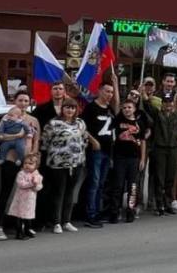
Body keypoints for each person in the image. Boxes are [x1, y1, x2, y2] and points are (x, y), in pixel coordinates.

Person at [0, 89, 40, 240]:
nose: (23, 104)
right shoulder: (7, 118)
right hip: (11, 159)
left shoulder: (33, 120)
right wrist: (16, 136)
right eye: (20, 100)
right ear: (15, 101)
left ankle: (25, 225)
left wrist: (33, 157)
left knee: (27, 195)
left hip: (28, 163)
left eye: (26, 101)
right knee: (5, 192)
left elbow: (36, 140)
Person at [42, 99, 87, 233]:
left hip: (76, 163)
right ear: (62, 109)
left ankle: (67, 221)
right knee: (58, 192)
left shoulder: (80, 123)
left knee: (70, 192)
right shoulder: (53, 123)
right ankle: (56, 222)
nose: (70, 110)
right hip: (58, 164)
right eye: (67, 107)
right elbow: (45, 142)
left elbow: (84, 140)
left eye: (72, 108)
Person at [78, 80, 119, 228]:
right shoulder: (90, 108)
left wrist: (115, 85)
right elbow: (81, 126)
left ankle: (97, 211)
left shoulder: (110, 109)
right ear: (100, 91)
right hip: (96, 151)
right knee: (94, 183)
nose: (109, 95)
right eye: (107, 91)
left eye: (111, 92)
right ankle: (90, 215)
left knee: (101, 184)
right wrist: (92, 140)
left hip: (108, 151)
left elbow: (117, 114)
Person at [111, 97, 148, 223]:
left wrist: (142, 159)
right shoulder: (118, 120)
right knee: (118, 186)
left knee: (133, 186)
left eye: (129, 107)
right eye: (125, 107)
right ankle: (115, 212)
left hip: (134, 159)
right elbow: (116, 102)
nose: (127, 110)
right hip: (120, 158)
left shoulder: (139, 123)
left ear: (134, 109)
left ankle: (130, 212)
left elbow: (143, 141)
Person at [10, 153, 43, 240]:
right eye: (25, 163)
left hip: (30, 200)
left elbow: (39, 186)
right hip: (20, 200)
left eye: (30, 164)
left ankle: (28, 230)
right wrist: (31, 183)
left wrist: (36, 186)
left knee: (28, 216)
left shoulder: (37, 175)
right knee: (20, 216)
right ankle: (19, 232)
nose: (27, 165)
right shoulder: (21, 174)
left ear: (36, 166)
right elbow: (21, 184)